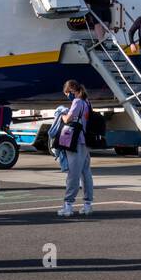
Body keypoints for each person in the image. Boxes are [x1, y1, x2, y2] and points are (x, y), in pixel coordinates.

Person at [57, 80, 94, 216]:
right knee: (86, 173)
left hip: (75, 140)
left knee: (73, 173)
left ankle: (68, 205)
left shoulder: (77, 102)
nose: (67, 96)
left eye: (67, 93)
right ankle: (88, 204)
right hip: (84, 140)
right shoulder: (87, 102)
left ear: (72, 91)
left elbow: (68, 119)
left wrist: (61, 114)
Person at [47, 102, 70, 173]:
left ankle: (65, 166)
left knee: (60, 151)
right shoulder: (67, 115)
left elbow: (52, 132)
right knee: (64, 152)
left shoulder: (59, 117)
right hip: (66, 133)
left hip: (61, 135)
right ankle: (66, 166)